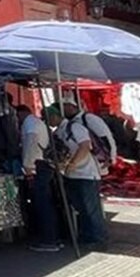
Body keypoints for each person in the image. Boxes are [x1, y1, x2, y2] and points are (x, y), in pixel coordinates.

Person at [46, 102, 108, 247]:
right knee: (81, 208)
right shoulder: (57, 133)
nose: (47, 121)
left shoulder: (75, 127)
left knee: (91, 209)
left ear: (55, 116)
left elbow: (85, 146)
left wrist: (72, 164)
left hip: (86, 174)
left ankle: (98, 238)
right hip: (71, 175)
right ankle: (87, 236)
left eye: (47, 118)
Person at [17, 105, 58, 252]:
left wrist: (27, 166)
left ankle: (48, 240)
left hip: (38, 167)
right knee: (46, 202)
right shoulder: (37, 122)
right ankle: (52, 237)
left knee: (42, 203)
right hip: (44, 166)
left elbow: (31, 144)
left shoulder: (30, 124)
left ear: (21, 114)